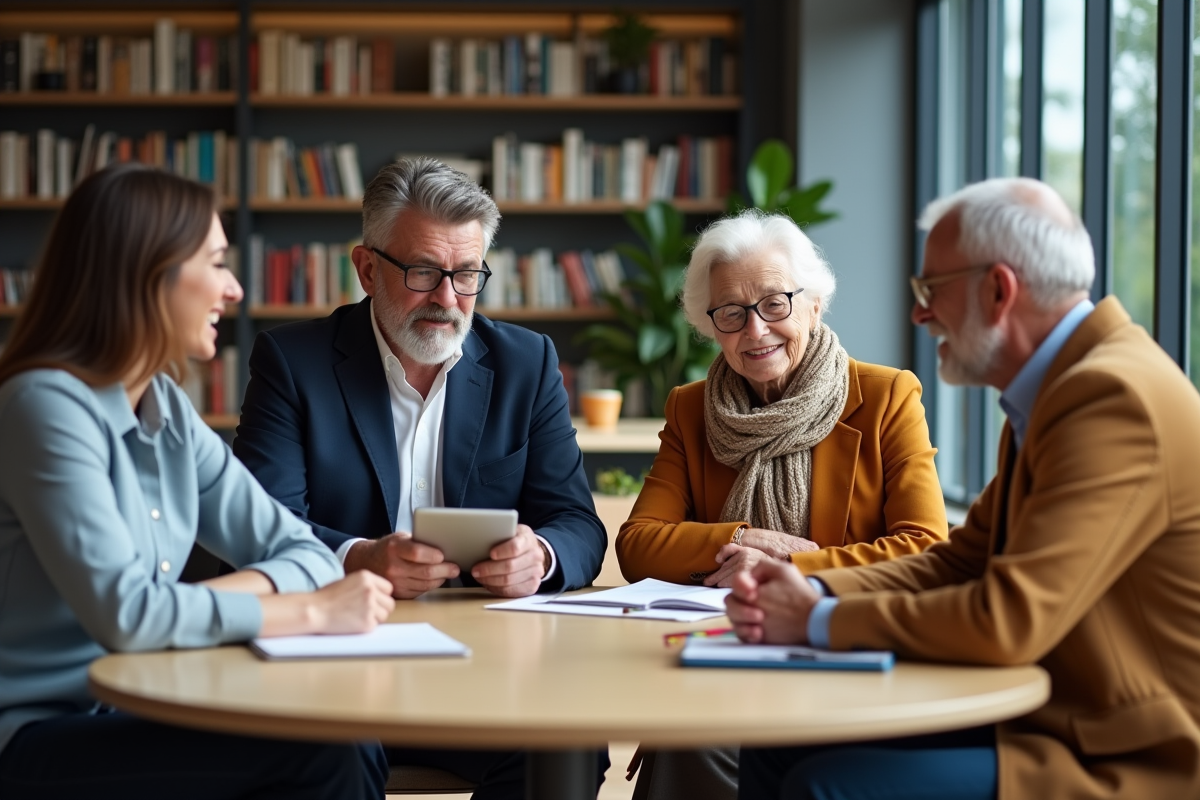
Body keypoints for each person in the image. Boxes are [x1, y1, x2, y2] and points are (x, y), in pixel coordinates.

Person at [730, 177, 1200, 800]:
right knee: (776, 734)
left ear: (999, 290)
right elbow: (960, 560)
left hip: (1129, 756)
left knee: (827, 787)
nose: (919, 313)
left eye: (932, 291)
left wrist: (818, 619)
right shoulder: (1058, 390)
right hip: (1054, 718)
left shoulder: (1110, 399)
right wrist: (807, 585)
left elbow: (1009, 619)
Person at [0, 163, 396, 800]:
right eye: (215, 263)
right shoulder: (44, 408)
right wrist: (306, 611)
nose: (234, 289)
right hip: (36, 734)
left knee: (351, 727)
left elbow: (307, 553)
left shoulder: (164, 406)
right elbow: (130, 617)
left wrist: (261, 598)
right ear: (146, 274)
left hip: (140, 697)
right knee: (325, 746)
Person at [232, 156, 609, 799]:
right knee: (326, 751)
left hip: (489, 663)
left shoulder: (526, 363)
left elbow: (576, 523)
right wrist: (359, 559)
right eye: (424, 272)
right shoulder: (292, 362)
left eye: (466, 275)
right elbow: (261, 525)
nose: (447, 299)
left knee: (569, 741)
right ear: (367, 268)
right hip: (337, 660)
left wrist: (539, 557)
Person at [617, 210, 948, 800]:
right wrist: (740, 539)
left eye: (775, 303)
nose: (755, 330)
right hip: (725, 653)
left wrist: (791, 568)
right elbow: (639, 543)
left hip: (847, 648)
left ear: (815, 304)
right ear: (709, 325)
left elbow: (924, 548)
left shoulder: (885, 397)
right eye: (731, 313)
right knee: (690, 737)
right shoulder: (690, 410)